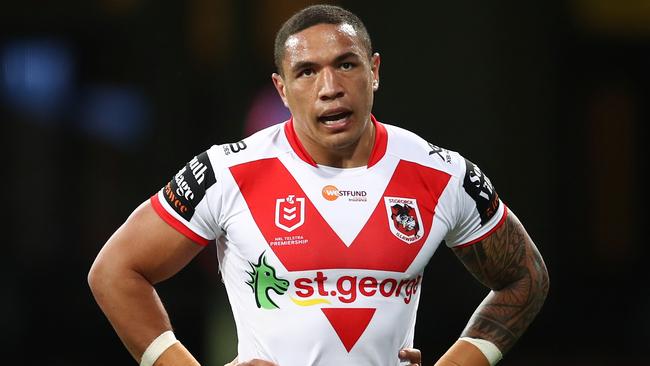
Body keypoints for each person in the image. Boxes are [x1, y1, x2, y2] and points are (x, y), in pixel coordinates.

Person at [88, 4, 549, 366]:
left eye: (346, 65)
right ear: (282, 88)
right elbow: (114, 272)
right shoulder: (228, 172)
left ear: (375, 71)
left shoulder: (441, 174)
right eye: (307, 71)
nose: (330, 86)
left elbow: (526, 278)